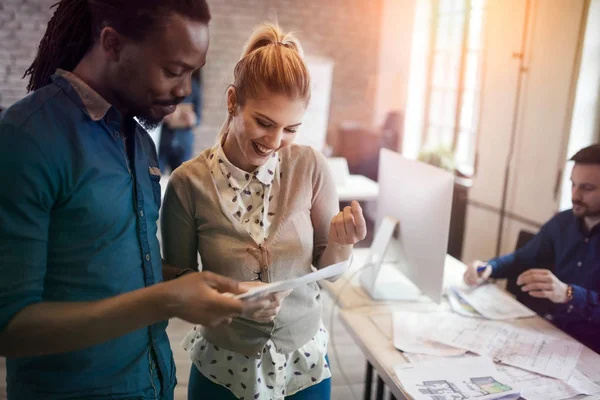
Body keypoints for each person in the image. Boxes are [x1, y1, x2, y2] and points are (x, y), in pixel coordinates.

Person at [0, 1, 269, 399]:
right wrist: (166, 300)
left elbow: (117, 262)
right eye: (174, 70)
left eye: (194, 73)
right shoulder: (28, 137)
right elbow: (9, 328)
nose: (184, 90)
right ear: (112, 43)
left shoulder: (140, 142)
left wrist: (190, 283)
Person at [161, 23, 368, 400]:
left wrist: (342, 244)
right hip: (222, 368)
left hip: (302, 367)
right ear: (232, 101)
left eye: (291, 128)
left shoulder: (311, 168)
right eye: (264, 122)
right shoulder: (187, 184)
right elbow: (176, 283)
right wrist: (233, 297)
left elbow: (330, 271)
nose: (275, 142)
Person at [464, 144, 600, 354]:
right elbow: (523, 259)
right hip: (551, 336)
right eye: (573, 185)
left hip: (591, 351)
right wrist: (489, 267)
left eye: (587, 188)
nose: (575, 195)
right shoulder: (563, 222)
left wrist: (569, 294)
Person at [159, 71, 202, 174]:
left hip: (184, 140)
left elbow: (198, 118)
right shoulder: (165, 84)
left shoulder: (194, 86)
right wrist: (161, 115)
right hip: (164, 138)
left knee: (181, 180)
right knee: (155, 176)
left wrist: (192, 119)